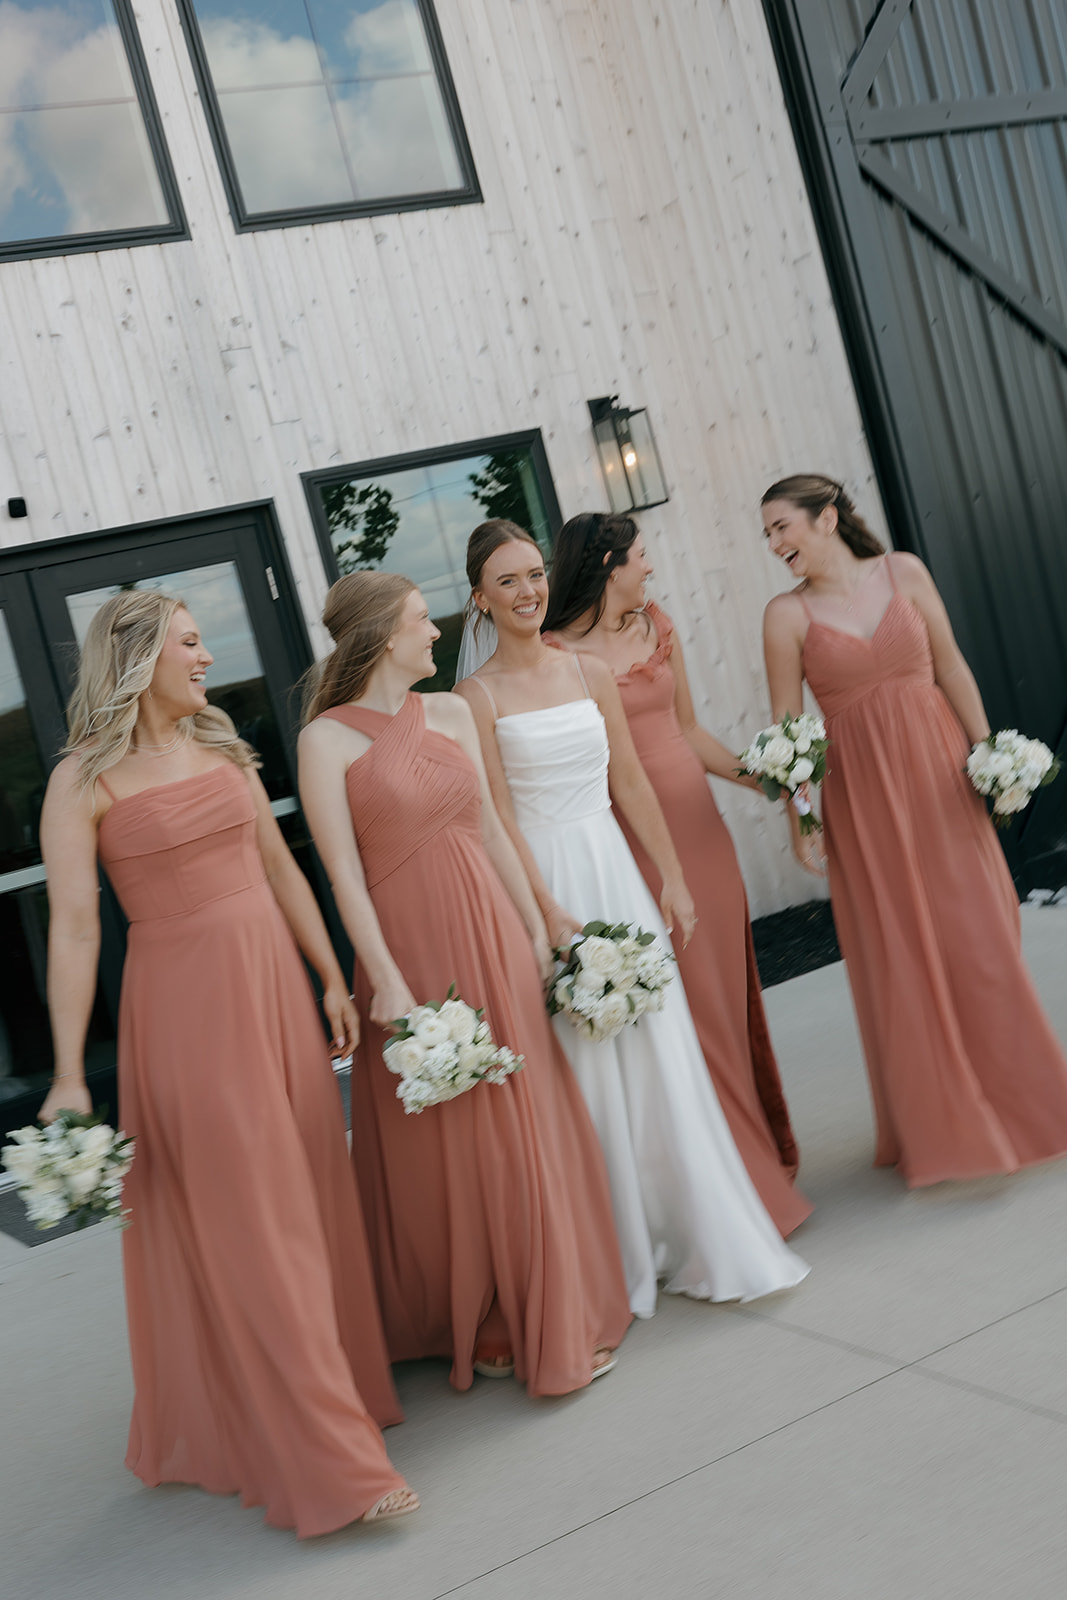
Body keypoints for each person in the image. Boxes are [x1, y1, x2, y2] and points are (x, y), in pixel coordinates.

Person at [37, 590, 416, 1536]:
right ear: (137, 658)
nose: (208, 657)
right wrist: (72, 1074)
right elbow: (78, 931)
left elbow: (282, 869)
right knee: (254, 1223)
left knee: (305, 1199)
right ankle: (335, 1465)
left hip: (274, 993)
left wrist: (331, 974)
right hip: (183, 1015)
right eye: (191, 643)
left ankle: (333, 1395)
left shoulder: (222, 744)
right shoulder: (82, 780)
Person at [455, 520, 809, 1318]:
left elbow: (633, 783)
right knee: (582, 1060)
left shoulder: (586, 673)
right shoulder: (472, 698)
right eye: (506, 581)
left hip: (614, 867)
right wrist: (543, 909)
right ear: (479, 597)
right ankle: (614, 1245)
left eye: (534, 575)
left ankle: (698, 1228)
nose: (526, 591)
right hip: (547, 883)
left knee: (659, 1045)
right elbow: (496, 816)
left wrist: (673, 880)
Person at [297, 572, 631, 1395]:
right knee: (446, 1141)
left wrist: (539, 931)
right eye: (421, 622)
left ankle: (542, 1307)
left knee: (520, 1122)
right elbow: (341, 876)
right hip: (408, 950)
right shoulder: (325, 741)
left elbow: (489, 830)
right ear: (380, 634)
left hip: (487, 930)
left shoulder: (448, 713)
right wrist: (384, 981)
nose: (436, 634)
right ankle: (478, 1317)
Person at [761, 473, 1067, 1186]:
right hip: (860, 797)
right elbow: (787, 732)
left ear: (826, 517)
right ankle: (945, 1121)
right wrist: (797, 818)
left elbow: (951, 665)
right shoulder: (785, 615)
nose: (775, 544)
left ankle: (1027, 1103)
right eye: (767, 534)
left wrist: (992, 755)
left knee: (981, 933)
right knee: (902, 952)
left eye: (782, 526)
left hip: (939, 775)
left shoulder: (902, 571)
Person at [543, 512, 810, 1237]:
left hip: (702, 836)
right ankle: (730, 1191)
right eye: (638, 556)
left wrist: (766, 779)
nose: (650, 567)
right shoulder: (554, 654)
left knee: (725, 1003)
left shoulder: (655, 625)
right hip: (631, 845)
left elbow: (688, 733)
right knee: (686, 1017)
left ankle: (756, 1164)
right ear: (604, 564)